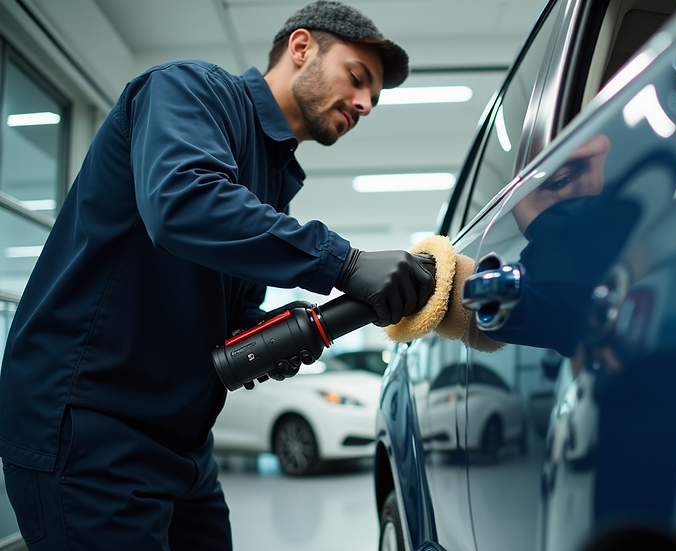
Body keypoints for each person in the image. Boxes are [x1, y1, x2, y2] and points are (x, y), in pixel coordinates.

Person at [0, 2, 434, 549]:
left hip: (182, 442)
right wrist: (345, 263)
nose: (367, 103)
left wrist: (269, 332)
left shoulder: (274, 176)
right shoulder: (190, 90)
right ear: (302, 48)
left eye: (375, 96)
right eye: (358, 78)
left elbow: (224, 317)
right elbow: (180, 203)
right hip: (90, 424)